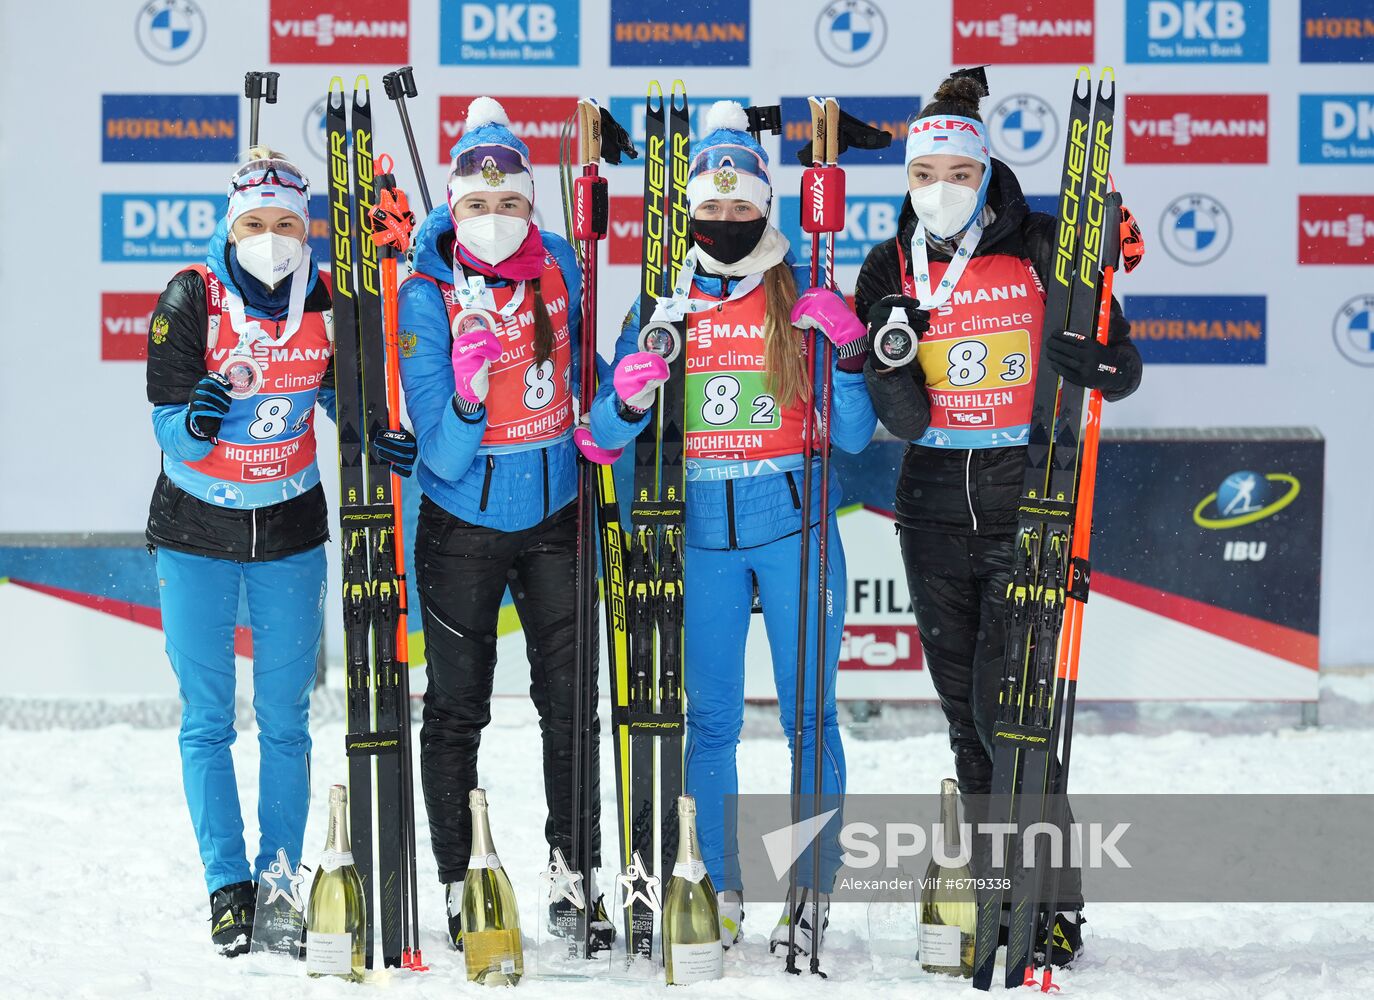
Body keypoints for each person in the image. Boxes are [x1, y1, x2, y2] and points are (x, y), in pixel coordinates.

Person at [854, 71, 1143, 967]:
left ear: (985, 173)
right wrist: (886, 359)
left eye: (957, 173)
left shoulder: (1044, 243)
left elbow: (1124, 367)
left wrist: (1099, 364)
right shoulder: (889, 264)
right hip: (932, 507)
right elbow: (904, 420)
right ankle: (996, 899)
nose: (939, 189)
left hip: (1030, 498)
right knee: (966, 722)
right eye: (922, 174)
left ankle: (1052, 903)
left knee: (1009, 713)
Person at [586, 101, 877, 957]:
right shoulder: (664, 298)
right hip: (701, 534)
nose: (724, 219)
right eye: (709, 208)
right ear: (688, 213)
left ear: (765, 207)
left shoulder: (802, 286)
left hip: (792, 524)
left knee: (809, 719)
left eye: (739, 205)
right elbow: (600, 440)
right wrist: (627, 397)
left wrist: (850, 358)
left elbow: (855, 436)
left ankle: (811, 890)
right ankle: (718, 886)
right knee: (709, 722)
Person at [144, 146, 417, 957]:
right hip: (195, 533)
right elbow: (167, 426)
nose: (271, 239)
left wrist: (375, 432)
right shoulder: (192, 297)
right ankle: (227, 886)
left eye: (287, 225)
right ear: (232, 228)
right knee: (207, 718)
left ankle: (279, 880)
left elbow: (343, 398)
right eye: (255, 225)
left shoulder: (327, 299)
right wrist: (196, 421)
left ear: (307, 231)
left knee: (286, 720)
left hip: (290, 533)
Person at [395, 98, 614, 951]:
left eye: (511, 202)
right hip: (463, 525)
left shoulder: (559, 263)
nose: (495, 217)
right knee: (458, 710)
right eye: (479, 204)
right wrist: (466, 392)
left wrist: (621, 392)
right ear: (455, 206)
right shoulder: (426, 292)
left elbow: (584, 374)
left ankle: (574, 870)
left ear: (531, 205)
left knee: (572, 707)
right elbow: (442, 457)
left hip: (558, 513)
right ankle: (463, 879)